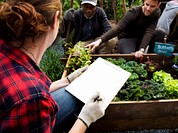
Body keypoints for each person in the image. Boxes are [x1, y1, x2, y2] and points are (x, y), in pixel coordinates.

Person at [0, 0, 105, 133]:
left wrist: (66, 81)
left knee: (72, 94)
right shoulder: (32, 98)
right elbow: (29, 95)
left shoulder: (7, 50)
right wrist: (85, 119)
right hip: (28, 108)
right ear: (55, 20)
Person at [85, 0, 161, 58]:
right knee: (128, 57)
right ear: (144, 2)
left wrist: (142, 49)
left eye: (152, 6)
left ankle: (151, 58)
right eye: (147, 4)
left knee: (160, 33)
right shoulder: (134, 12)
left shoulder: (156, 13)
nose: (148, 9)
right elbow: (118, 28)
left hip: (142, 37)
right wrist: (100, 40)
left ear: (158, 5)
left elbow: (150, 31)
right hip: (128, 38)